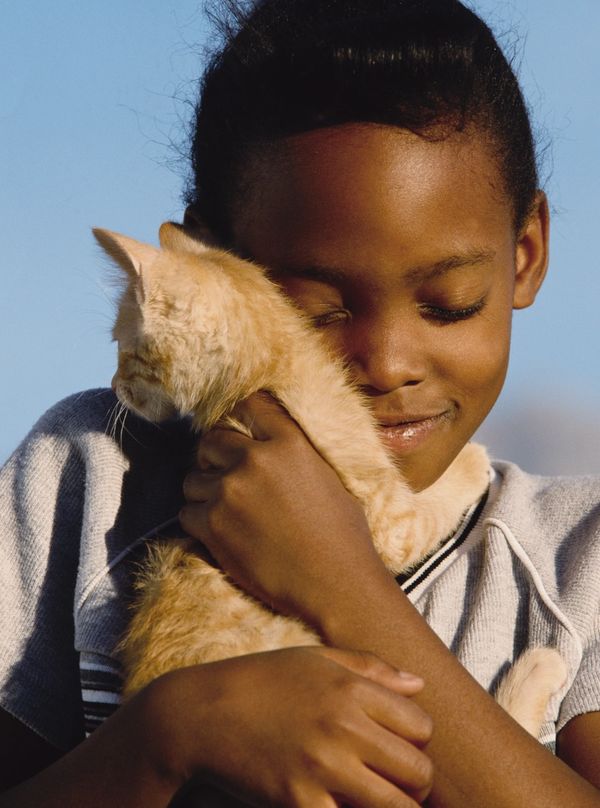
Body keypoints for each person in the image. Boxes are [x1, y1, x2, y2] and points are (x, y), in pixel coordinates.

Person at [1, 0, 599, 805]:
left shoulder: (574, 564)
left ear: (525, 255)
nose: (386, 364)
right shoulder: (87, 479)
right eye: (315, 312)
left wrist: (342, 583)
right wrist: (168, 735)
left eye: (450, 302)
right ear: (213, 268)